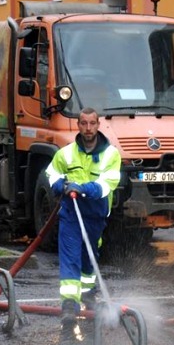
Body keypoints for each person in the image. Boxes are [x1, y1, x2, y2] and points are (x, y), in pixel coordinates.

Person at [46, 107, 121, 325]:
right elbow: (51, 174)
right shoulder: (67, 153)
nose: (88, 128)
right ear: (78, 125)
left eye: (92, 123)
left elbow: (108, 183)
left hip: (95, 215)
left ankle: (88, 294)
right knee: (70, 257)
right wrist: (62, 185)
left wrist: (84, 188)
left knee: (89, 258)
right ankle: (69, 305)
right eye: (83, 123)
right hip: (71, 213)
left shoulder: (110, 154)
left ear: (98, 125)